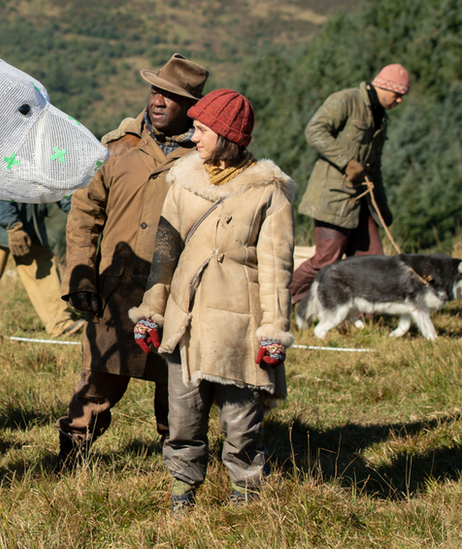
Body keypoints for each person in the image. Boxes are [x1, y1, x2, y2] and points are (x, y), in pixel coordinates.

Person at [130, 89, 295, 512]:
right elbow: (164, 255)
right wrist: (151, 312)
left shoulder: (268, 192)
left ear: (226, 135)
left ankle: (245, 500)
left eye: (202, 130)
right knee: (183, 419)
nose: (193, 136)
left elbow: (278, 270)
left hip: (241, 323)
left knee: (241, 424)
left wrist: (273, 331)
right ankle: (182, 498)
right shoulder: (184, 180)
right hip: (185, 320)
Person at [56, 54, 209, 470]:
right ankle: (70, 461)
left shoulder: (207, 158)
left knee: (178, 388)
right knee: (97, 381)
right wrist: (82, 277)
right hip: (116, 289)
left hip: (177, 296)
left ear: (192, 107)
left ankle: (182, 476)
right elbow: (85, 215)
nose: (158, 100)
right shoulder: (117, 148)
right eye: (156, 90)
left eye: (171, 96)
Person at [290, 64, 411, 303]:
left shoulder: (381, 118)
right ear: (385, 86)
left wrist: (381, 208)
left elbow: (374, 168)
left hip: (362, 202)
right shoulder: (346, 100)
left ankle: (365, 317)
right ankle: (277, 302)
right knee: (326, 261)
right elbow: (315, 131)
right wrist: (347, 161)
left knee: (373, 261)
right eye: (398, 95)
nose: (399, 101)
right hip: (332, 198)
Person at [0, 198, 84, 339]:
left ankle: (60, 324)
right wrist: (12, 226)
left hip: (32, 223)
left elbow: (61, 190)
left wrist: (81, 212)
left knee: (44, 270)